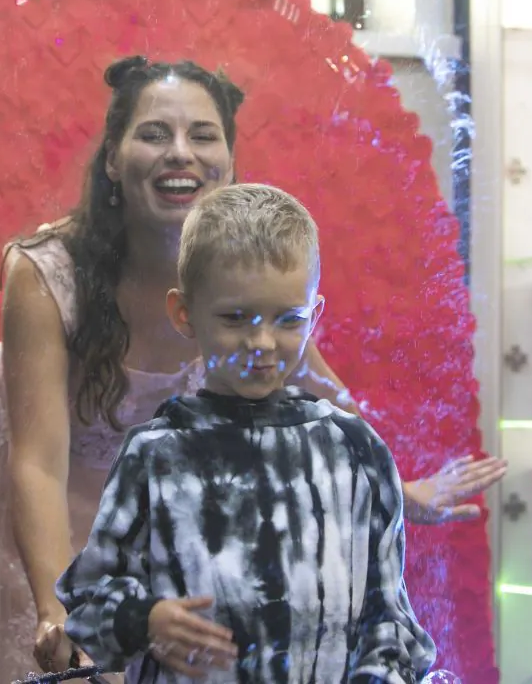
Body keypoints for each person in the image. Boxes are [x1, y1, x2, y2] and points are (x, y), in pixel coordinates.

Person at [0, 57, 506, 684]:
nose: (180, 153)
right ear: (113, 159)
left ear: (228, 161)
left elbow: (314, 382)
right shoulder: (48, 271)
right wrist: (56, 610)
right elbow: (38, 464)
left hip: (163, 502)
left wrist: (394, 487)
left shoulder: (236, 268)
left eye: (203, 136)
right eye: (154, 134)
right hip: (45, 496)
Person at [57, 184, 435, 683]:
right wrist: (142, 619)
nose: (262, 342)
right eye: (235, 319)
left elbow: (391, 624)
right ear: (184, 313)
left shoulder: (354, 451)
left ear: (315, 315)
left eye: (288, 319)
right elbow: (87, 603)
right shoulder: (156, 456)